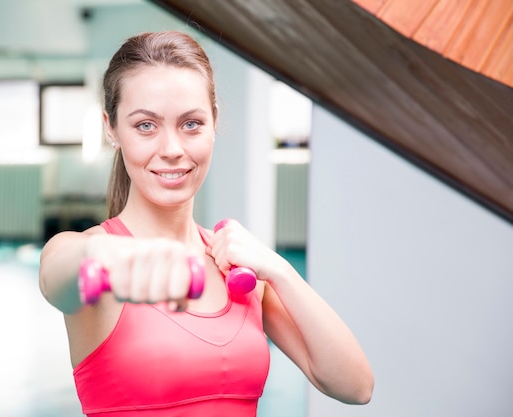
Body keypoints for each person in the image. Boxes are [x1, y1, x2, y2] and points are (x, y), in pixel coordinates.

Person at [39, 30, 373, 416]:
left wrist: (279, 270)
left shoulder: (238, 268)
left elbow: (355, 386)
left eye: (191, 124)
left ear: (214, 121)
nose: (172, 150)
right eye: (145, 125)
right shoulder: (89, 250)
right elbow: (57, 281)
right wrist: (102, 256)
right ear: (111, 128)